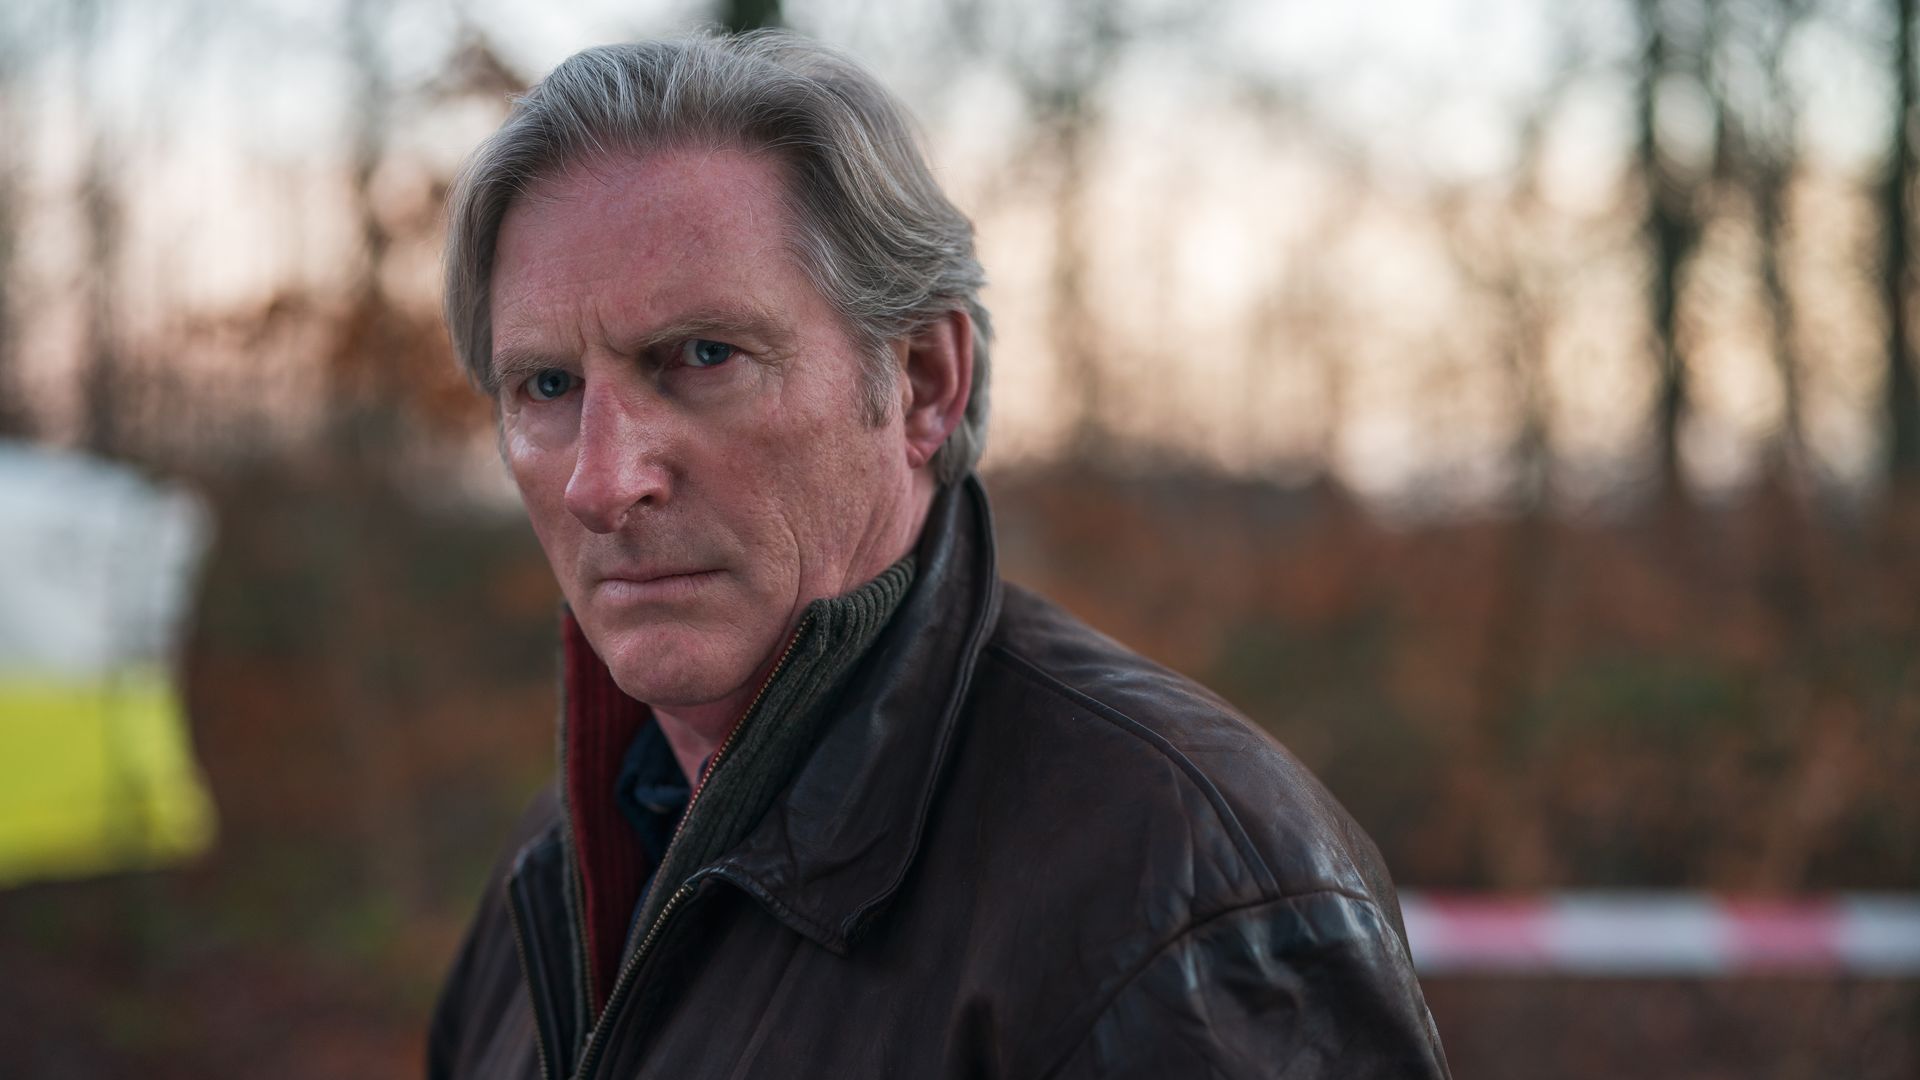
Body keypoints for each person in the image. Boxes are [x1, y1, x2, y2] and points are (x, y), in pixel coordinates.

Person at [426, 31, 1450, 1080]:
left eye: (701, 356)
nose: (601, 482)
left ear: (922, 381)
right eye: (547, 387)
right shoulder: (557, 859)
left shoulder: (1178, 890)